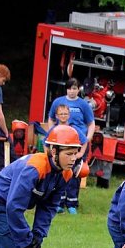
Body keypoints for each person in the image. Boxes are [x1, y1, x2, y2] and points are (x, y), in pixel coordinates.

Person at [47, 78, 96, 214]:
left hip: (78, 143)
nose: (72, 91)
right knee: (60, 173)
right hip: (62, 143)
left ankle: (72, 203)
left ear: (78, 89)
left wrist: (88, 137)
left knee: (76, 173)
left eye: (75, 88)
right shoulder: (58, 102)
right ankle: (59, 202)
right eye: (70, 88)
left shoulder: (84, 105)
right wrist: (52, 134)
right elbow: (50, 119)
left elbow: (91, 123)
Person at [48, 104, 87, 213]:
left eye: (65, 114)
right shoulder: (54, 130)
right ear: (56, 116)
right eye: (61, 114)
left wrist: (80, 154)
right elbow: (47, 144)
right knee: (58, 181)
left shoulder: (74, 129)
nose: (63, 116)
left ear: (69, 115)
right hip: (58, 162)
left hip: (71, 161)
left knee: (72, 181)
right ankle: (58, 204)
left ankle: (71, 205)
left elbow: (84, 141)